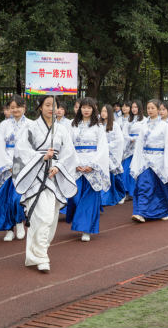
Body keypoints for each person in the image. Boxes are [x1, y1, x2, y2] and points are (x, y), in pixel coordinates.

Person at [13, 95, 79, 272]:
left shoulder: (62, 130)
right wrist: (41, 157)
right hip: (35, 176)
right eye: (48, 105)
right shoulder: (31, 128)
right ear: (40, 107)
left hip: (54, 176)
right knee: (42, 216)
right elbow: (21, 151)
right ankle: (41, 256)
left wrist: (57, 165)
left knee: (51, 217)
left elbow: (68, 153)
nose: (52, 108)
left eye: (54, 105)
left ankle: (37, 252)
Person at [0, 95, 33, 242]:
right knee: (6, 199)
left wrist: (22, 165)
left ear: (24, 107)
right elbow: (0, 147)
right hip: (7, 165)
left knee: (17, 198)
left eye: (18, 107)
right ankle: (9, 228)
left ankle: (19, 222)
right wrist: (8, 165)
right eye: (12, 107)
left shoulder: (31, 124)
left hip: (23, 165)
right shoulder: (4, 125)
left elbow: (32, 147)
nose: (15, 110)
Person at [66, 97, 110, 242]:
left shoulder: (98, 127)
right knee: (75, 197)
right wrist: (76, 163)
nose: (86, 110)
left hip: (92, 165)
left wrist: (93, 164)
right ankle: (79, 221)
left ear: (93, 109)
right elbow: (69, 146)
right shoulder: (73, 125)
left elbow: (102, 148)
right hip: (76, 165)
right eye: (83, 107)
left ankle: (86, 229)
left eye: (89, 107)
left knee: (90, 199)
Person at [129, 100, 168, 222]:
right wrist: (137, 160)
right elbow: (139, 145)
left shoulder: (165, 126)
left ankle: (162, 211)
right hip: (145, 160)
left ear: (158, 109)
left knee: (161, 187)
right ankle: (140, 212)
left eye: (152, 108)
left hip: (160, 160)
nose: (150, 110)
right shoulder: (144, 126)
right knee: (143, 185)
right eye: (148, 108)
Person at [99, 104, 126, 206]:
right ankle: (105, 198)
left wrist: (106, 146)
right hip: (102, 154)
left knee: (115, 176)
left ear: (109, 113)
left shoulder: (115, 125)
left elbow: (119, 141)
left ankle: (120, 194)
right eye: (102, 111)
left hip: (111, 154)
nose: (103, 113)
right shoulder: (99, 125)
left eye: (105, 111)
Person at [122, 100, 145, 199]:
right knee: (126, 169)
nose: (134, 109)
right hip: (129, 146)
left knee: (136, 168)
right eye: (133, 107)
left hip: (139, 147)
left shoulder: (144, 120)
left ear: (139, 108)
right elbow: (124, 133)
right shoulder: (128, 120)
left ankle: (135, 191)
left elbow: (145, 133)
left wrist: (137, 139)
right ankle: (126, 191)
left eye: (136, 107)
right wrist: (130, 138)